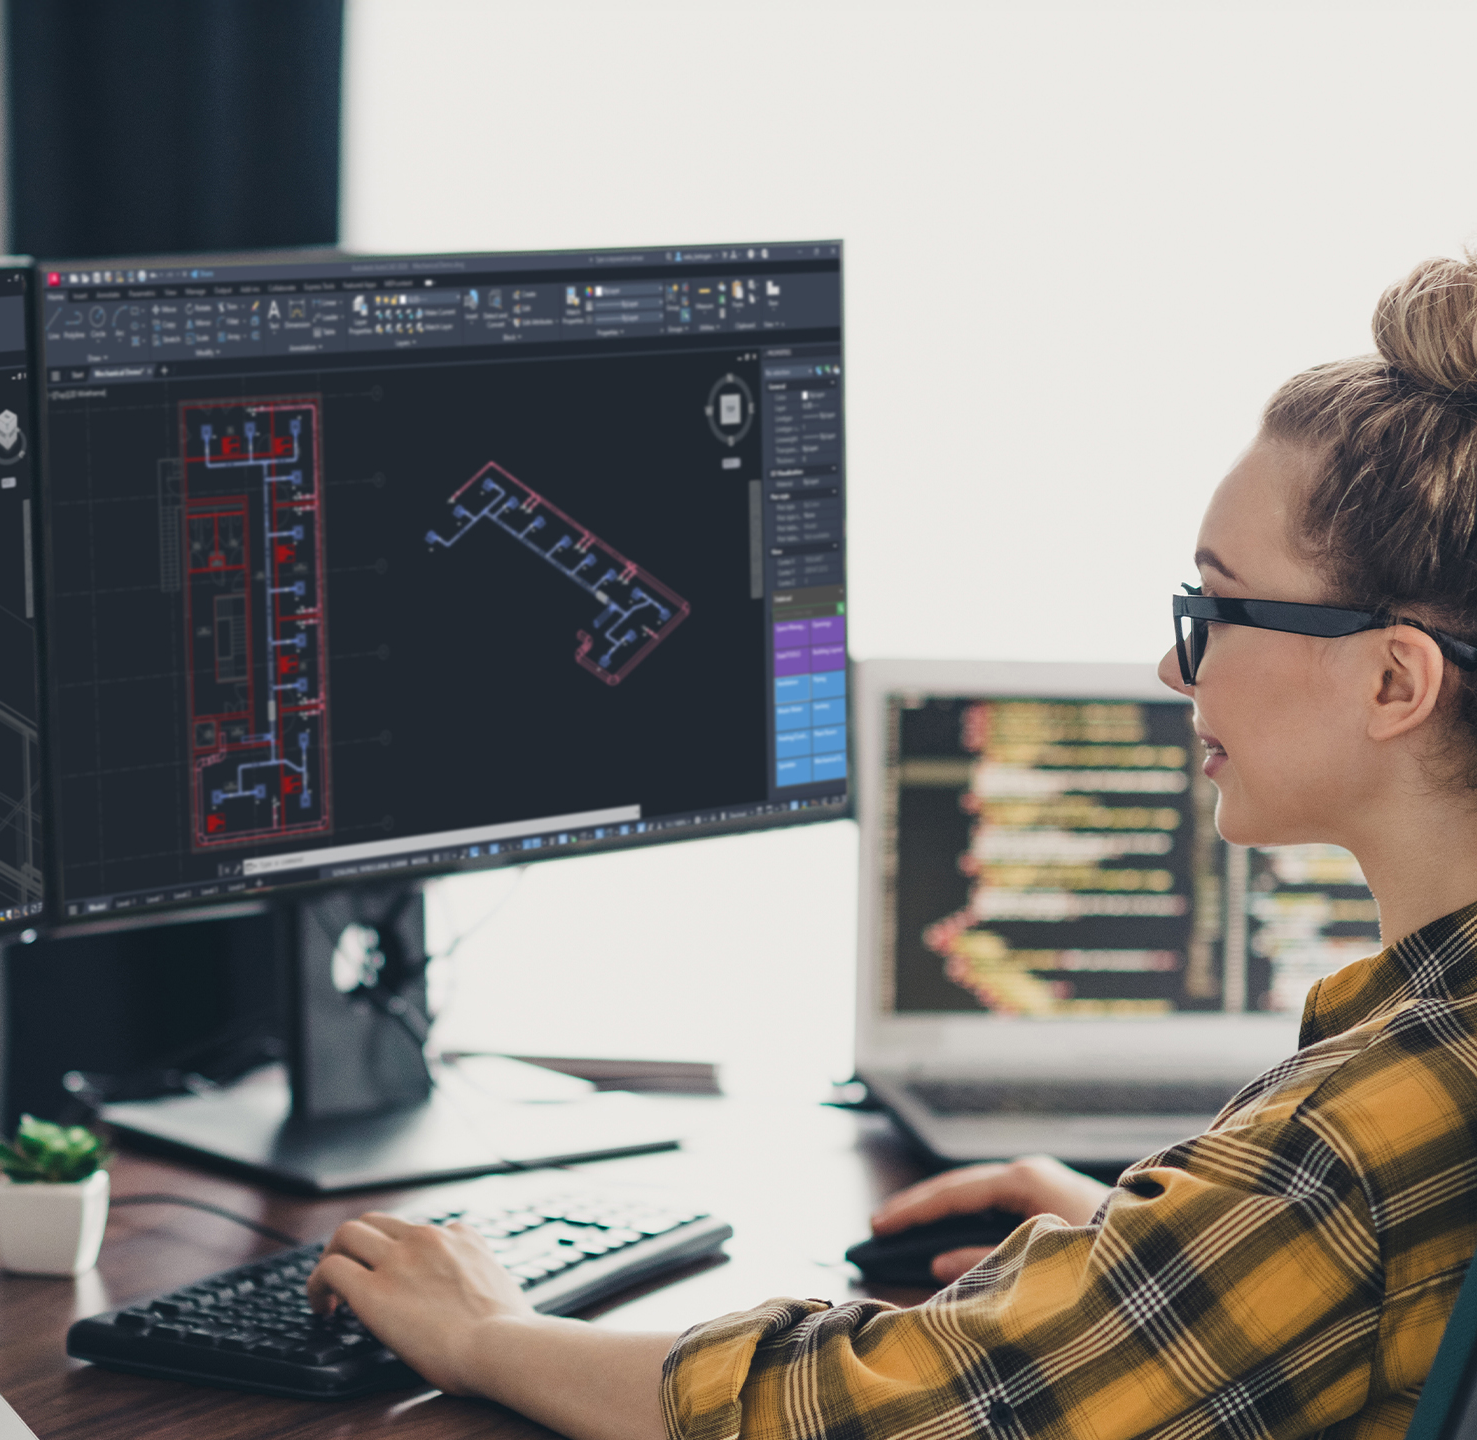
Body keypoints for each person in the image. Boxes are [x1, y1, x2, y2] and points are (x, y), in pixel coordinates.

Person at [307, 251, 1477, 1440]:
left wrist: (488, 1335)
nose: (1177, 666)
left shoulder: (1354, 1139)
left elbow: (897, 1418)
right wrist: (1147, 1259)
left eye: (1214, 611)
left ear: (1396, 678)